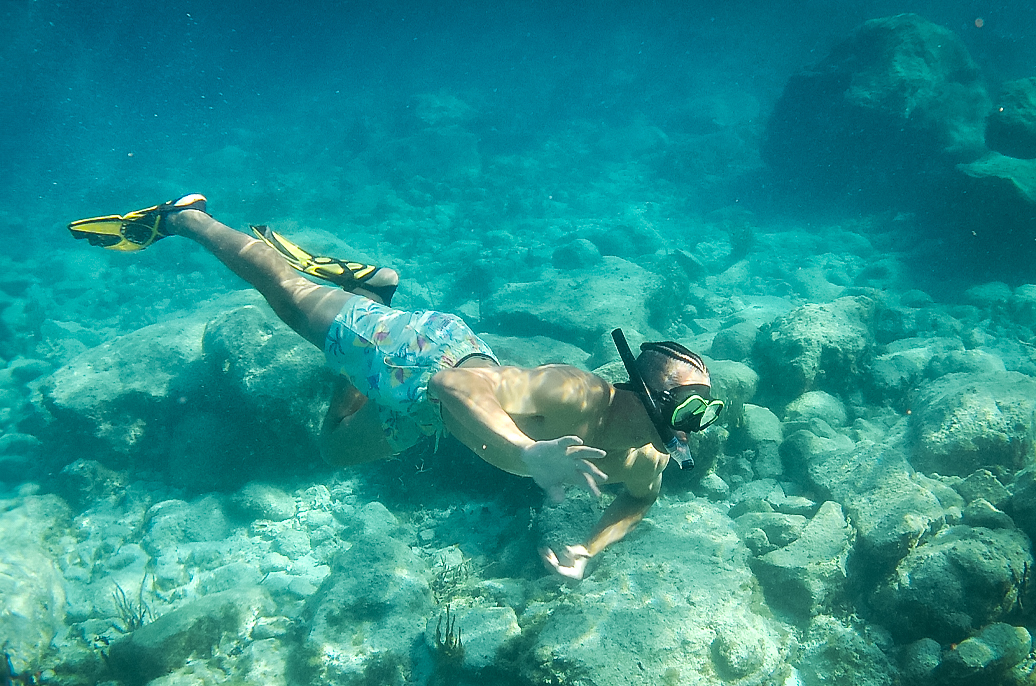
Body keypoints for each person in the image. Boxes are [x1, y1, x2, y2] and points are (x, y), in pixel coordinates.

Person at [69, 195, 724, 579]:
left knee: (333, 450)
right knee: (289, 295)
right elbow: (451, 387)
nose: (696, 427)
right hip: (422, 360)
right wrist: (529, 456)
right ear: (642, 389)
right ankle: (186, 217)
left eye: (707, 412)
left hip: (428, 417)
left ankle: (372, 288)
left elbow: (637, 502)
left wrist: (589, 545)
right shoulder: (575, 393)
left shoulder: (646, 458)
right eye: (692, 407)